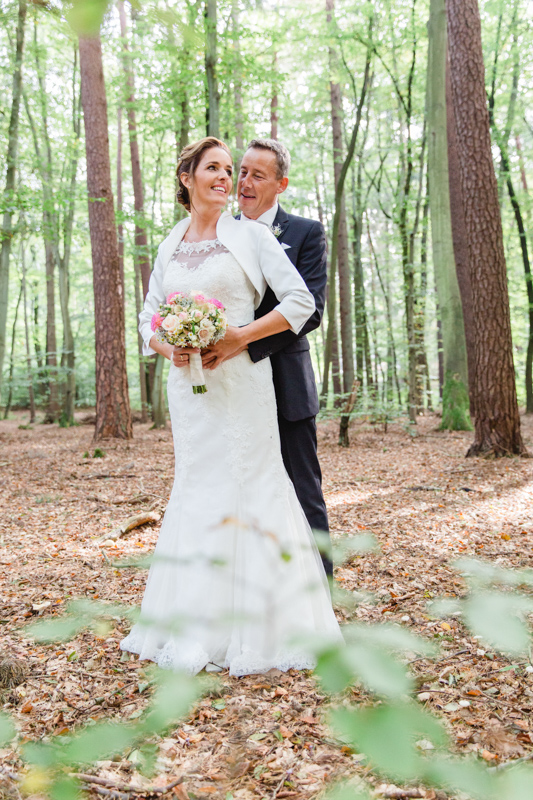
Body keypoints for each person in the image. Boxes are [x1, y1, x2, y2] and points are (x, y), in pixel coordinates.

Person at [120, 137, 342, 676]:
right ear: (188, 178)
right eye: (215, 169)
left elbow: (302, 302)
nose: (228, 179)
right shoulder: (170, 243)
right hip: (189, 392)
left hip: (243, 386)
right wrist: (171, 345)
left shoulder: (252, 236)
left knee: (254, 486)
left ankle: (271, 623)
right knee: (197, 488)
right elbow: (150, 318)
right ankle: (195, 625)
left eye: (232, 170)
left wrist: (240, 336)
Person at [200, 139, 332, 575]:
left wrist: (245, 343)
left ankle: (321, 596)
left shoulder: (306, 232)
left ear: (281, 184)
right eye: (242, 172)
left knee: (301, 490)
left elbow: (309, 309)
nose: (245, 183)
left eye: (258, 175)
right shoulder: (222, 231)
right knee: (242, 488)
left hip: (286, 382)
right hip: (231, 386)